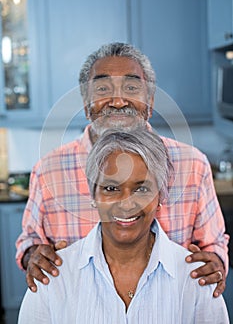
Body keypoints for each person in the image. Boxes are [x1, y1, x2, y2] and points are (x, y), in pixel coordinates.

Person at [16, 42, 228, 297]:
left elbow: (214, 244)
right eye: (103, 88)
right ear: (86, 103)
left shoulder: (193, 164)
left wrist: (215, 261)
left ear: (149, 101)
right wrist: (32, 256)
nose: (117, 101)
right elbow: (29, 242)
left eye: (131, 87)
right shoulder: (48, 170)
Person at [18, 130, 229, 323]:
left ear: (160, 197)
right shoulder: (52, 277)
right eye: (111, 188)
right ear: (93, 195)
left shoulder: (197, 280)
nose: (126, 203)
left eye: (142, 189)